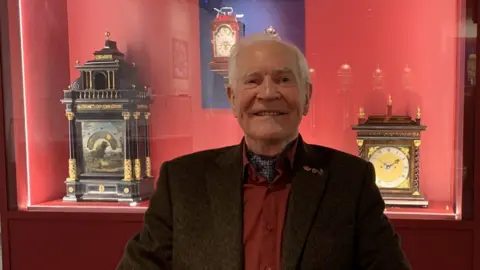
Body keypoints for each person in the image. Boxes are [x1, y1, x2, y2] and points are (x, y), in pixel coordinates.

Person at [117, 33, 411, 270]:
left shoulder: (351, 180)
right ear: (232, 98)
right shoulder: (181, 181)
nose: (268, 93)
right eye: (252, 80)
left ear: (306, 97)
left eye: (284, 79)